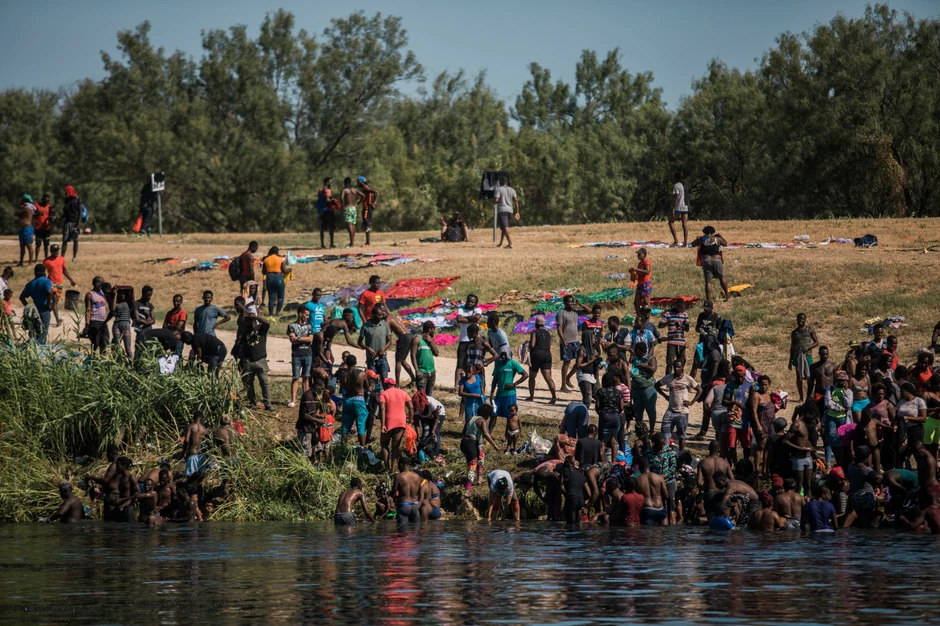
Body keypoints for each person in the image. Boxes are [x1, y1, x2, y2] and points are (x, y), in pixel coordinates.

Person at [654, 358, 701, 450]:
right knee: (665, 432)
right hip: (671, 410)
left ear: (683, 367)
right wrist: (665, 396)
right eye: (675, 367)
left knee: (681, 435)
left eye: (678, 367)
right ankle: (665, 452)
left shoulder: (688, 379)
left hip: (682, 412)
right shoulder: (668, 378)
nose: (676, 369)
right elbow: (656, 385)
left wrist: (691, 402)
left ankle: (681, 453)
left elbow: (700, 390)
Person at [237, 308, 272, 411]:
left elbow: (267, 323)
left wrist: (255, 316)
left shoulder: (260, 329)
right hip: (248, 361)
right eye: (247, 320)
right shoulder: (245, 332)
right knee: (249, 384)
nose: (247, 322)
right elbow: (242, 347)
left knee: (264, 383)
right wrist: (241, 362)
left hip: (260, 360)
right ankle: (253, 403)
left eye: (249, 320)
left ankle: (268, 404)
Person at [461, 405, 500, 489]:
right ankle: (467, 490)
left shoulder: (470, 418)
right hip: (472, 444)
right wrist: (495, 445)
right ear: (488, 414)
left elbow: (463, 432)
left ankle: (479, 478)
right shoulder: (482, 421)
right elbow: (486, 434)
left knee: (481, 456)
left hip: (464, 443)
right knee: (472, 468)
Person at [379, 377, 413, 472]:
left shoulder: (383, 394)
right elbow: (411, 407)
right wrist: (410, 422)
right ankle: (393, 469)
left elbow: (382, 409)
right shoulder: (403, 393)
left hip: (388, 422)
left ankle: (386, 467)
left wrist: (383, 425)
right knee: (395, 446)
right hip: (400, 423)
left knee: (384, 444)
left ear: (386, 385)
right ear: (395, 384)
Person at [723, 365, 753, 463]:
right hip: (733, 420)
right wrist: (734, 402)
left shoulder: (749, 386)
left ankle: (746, 462)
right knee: (731, 444)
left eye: (742, 376)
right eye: (737, 376)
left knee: (746, 444)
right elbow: (724, 401)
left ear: (745, 375)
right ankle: (734, 463)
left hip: (745, 420)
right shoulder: (730, 386)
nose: (740, 378)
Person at [690, 226, 730, 301]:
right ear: (712, 232)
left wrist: (697, 239)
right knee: (721, 278)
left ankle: (709, 300)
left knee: (708, 282)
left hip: (706, 261)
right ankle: (727, 296)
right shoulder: (717, 239)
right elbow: (725, 243)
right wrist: (721, 236)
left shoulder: (701, 239)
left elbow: (692, 244)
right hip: (717, 260)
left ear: (704, 232)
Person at [824, 372, 853, 468]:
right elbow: (828, 403)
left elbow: (848, 404)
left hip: (843, 418)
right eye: (839, 380)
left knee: (843, 439)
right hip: (831, 416)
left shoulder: (848, 392)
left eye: (843, 381)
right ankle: (828, 462)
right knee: (829, 439)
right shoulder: (831, 388)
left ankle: (841, 461)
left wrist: (845, 391)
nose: (841, 383)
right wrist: (840, 408)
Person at [696, 440, 733, 517]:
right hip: (723, 493)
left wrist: (702, 490)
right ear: (719, 450)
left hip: (709, 493)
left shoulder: (703, 462)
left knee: (712, 521)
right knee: (725, 518)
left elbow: (699, 482)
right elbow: (732, 480)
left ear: (709, 449)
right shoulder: (725, 463)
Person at [748, 374, 776, 474]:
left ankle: (765, 468)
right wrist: (758, 425)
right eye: (762, 385)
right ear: (759, 384)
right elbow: (753, 411)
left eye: (766, 385)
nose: (764, 387)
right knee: (760, 446)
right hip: (761, 423)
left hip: (770, 424)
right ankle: (756, 469)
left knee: (769, 447)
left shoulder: (769, 395)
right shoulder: (756, 395)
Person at [490, 352, 528, 425]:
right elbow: (494, 379)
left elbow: (525, 375)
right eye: (502, 355)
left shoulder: (513, 363)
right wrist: (492, 393)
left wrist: (514, 384)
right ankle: (488, 434)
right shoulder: (498, 364)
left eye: (505, 355)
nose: (503, 357)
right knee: (493, 414)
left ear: (509, 355)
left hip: (509, 394)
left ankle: (509, 434)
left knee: (510, 416)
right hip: (499, 394)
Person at [18, 264, 53, 344]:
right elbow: (49, 292)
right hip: (44, 310)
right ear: (44, 271)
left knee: (34, 333)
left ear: (35, 272)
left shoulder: (31, 284)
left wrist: (29, 307)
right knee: (43, 334)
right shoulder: (46, 281)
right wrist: (48, 304)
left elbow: (21, 297)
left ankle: (31, 350)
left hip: (34, 312)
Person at [42, 244, 75, 327]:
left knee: (54, 302)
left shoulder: (61, 259)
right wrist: (44, 281)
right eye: (55, 250)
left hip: (60, 284)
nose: (56, 252)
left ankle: (43, 314)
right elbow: (43, 272)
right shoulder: (46, 261)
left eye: (57, 250)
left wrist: (71, 280)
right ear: (51, 251)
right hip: (51, 283)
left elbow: (64, 270)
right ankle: (58, 320)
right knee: (54, 299)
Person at [647, 432, 678, 522]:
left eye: (663, 444)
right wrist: (656, 477)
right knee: (660, 505)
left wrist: (666, 474)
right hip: (656, 483)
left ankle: (671, 528)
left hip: (669, 481)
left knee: (671, 504)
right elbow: (647, 467)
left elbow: (673, 466)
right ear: (655, 443)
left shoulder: (668, 451)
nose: (662, 446)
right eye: (660, 444)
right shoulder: (649, 452)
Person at [454, 294, 483, 390]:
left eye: (472, 301)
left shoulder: (478, 310)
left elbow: (477, 317)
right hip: (463, 340)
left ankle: (472, 383)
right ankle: (456, 385)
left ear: (476, 303)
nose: (469, 303)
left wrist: (465, 319)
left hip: (475, 341)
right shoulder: (461, 309)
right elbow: (459, 319)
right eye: (468, 301)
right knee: (460, 364)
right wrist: (473, 319)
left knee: (473, 364)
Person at [287, 307, 314, 408]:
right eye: (306, 314)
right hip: (296, 354)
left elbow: (310, 339)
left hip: (308, 353)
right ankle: (293, 400)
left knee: (306, 377)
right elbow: (292, 340)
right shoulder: (291, 326)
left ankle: (305, 399)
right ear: (300, 314)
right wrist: (304, 339)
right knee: (295, 378)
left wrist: (298, 338)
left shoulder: (309, 326)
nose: (307, 317)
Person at [359, 304, 392, 383]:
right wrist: (368, 348)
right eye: (379, 315)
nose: (381, 317)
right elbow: (359, 342)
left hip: (382, 357)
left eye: (382, 315)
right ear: (373, 315)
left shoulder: (384, 325)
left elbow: (389, 341)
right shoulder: (365, 326)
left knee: (385, 379)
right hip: (371, 358)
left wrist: (383, 349)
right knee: (373, 380)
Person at [789, 313, 819, 402]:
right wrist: (790, 361)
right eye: (799, 319)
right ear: (796, 320)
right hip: (797, 357)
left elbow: (816, 342)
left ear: (805, 320)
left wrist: (808, 347)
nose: (800, 321)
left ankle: (809, 396)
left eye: (802, 319)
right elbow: (792, 347)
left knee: (809, 377)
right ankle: (801, 397)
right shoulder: (794, 333)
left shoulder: (809, 329)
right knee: (799, 377)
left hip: (807, 356)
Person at [594, 373, 624, 462]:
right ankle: (614, 463)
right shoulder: (618, 392)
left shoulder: (600, 391)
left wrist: (601, 413)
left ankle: (602, 462)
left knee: (602, 442)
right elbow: (621, 407)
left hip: (605, 417)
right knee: (614, 442)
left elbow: (597, 406)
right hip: (615, 417)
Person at [630, 342, 659, 432]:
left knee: (651, 411)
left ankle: (652, 430)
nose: (635, 351)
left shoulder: (650, 358)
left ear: (641, 350)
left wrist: (642, 366)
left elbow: (653, 368)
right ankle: (640, 430)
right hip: (636, 388)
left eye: (637, 350)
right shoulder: (635, 358)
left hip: (647, 388)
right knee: (638, 412)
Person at [557, 295, 582, 392]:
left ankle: (568, 377)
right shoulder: (561, 313)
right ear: (565, 303)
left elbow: (589, 311)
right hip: (566, 341)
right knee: (566, 362)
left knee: (580, 360)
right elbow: (559, 328)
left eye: (572, 302)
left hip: (575, 341)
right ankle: (563, 385)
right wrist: (563, 340)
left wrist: (580, 304)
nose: (571, 303)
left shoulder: (575, 312)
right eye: (569, 302)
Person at [635, 457, 669, 525]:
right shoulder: (659, 478)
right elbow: (666, 495)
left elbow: (637, 498)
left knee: (648, 533)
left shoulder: (637, 480)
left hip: (647, 509)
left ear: (638, 467)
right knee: (663, 523)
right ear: (649, 465)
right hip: (659, 508)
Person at [659, 302, 689, 375]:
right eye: (679, 307)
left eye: (682, 308)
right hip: (672, 341)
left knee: (681, 362)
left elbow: (687, 329)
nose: (680, 309)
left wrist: (681, 327)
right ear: (675, 306)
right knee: (670, 363)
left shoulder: (684, 314)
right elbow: (660, 325)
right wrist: (668, 322)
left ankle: (680, 379)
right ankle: (667, 379)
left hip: (681, 342)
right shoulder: (668, 314)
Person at [807, 346, 838, 415]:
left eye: (826, 354)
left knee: (830, 413)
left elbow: (836, 381)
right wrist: (808, 395)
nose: (825, 356)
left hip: (830, 394)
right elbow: (811, 382)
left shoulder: (834, 366)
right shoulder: (814, 367)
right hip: (819, 393)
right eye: (823, 354)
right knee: (818, 413)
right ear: (819, 354)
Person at [560, 456, 591, 525]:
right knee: (577, 523)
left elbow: (561, 487)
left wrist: (567, 494)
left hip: (571, 498)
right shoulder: (582, 475)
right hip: (581, 500)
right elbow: (589, 494)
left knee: (570, 523)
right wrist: (585, 504)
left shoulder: (564, 470)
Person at [391, 458, 423, 525]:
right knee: (416, 531)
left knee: (403, 532)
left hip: (404, 505)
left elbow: (393, 492)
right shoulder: (417, 476)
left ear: (401, 464)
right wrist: (418, 505)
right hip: (415, 505)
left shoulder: (399, 477)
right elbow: (421, 493)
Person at [84, 276, 110, 353]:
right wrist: (87, 325)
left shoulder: (103, 293)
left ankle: (102, 362)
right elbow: (88, 311)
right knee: (95, 344)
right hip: (95, 321)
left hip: (103, 322)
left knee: (104, 344)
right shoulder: (90, 294)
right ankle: (94, 361)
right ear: (97, 284)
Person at [410, 321, 438, 393]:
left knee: (430, 397)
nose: (434, 331)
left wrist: (431, 342)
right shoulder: (417, 339)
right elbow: (413, 355)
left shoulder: (431, 340)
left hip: (431, 372)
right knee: (422, 397)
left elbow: (437, 353)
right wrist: (417, 370)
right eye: (433, 329)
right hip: (422, 373)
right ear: (429, 329)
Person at [493, 174, 520, 248]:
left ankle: (510, 243)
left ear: (501, 182)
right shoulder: (512, 190)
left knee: (505, 227)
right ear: (507, 182)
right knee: (504, 227)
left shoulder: (499, 189)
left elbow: (496, 200)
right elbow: (516, 201)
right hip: (510, 210)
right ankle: (500, 244)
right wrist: (517, 212)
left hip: (502, 210)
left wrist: (493, 202)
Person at [261, 246, 287, 317]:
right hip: (279, 278)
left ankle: (271, 314)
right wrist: (289, 270)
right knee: (280, 297)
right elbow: (284, 271)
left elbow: (263, 272)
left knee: (271, 297)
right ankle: (277, 312)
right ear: (277, 252)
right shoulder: (280, 259)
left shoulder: (266, 259)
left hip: (269, 278)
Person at [60, 185, 83, 262]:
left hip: (74, 222)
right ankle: (62, 257)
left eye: (66, 191)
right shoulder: (66, 200)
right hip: (67, 222)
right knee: (65, 240)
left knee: (75, 240)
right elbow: (65, 212)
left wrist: (78, 225)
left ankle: (74, 257)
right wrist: (59, 218)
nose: (65, 193)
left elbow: (80, 213)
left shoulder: (78, 199)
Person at [341, 177, 365, 248]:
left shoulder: (344, 190)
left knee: (349, 226)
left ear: (345, 183)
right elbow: (363, 196)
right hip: (354, 208)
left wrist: (343, 206)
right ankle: (352, 242)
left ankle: (351, 243)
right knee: (353, 225)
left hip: (348, 208)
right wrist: (358, 203)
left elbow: (342, 198)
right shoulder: (355, 190)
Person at [183, 413, 209, 477]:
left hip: (192, 454)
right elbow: (210, 443)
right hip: (201, 455)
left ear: (194, 418)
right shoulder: (205, 430)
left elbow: (186, 440)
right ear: (201, 419)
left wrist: (184, 451)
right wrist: (205, 451)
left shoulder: (191, 426)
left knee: (191, 477)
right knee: (200, 477)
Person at [109, 290, 133, 359]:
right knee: (117, 345)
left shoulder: (128, 302)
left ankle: (132, 364)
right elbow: (113, 309)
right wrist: (115, 296)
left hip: (126, 325)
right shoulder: (116, 303)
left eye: (123, 294)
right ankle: (118, 362)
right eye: (120, 294)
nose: (122, 295)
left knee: (128, 348)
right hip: (117, 325)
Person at [357, 176, 380, 246]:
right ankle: (367, 242)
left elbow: (376, 192)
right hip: (366, 207)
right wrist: (357, 204)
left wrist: (374, 202)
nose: (357, 183)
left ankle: (368, 242)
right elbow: (362, 199)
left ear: (361, 181)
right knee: (365, 224)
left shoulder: (365, 188)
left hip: (367, 208)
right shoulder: (364, 188)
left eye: (358, 182)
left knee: (366, 224)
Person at [669, 170, 689, 247]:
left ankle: (676, 240)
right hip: (685, 206)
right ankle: (685, 242)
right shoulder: (685, 185)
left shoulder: (676, 186)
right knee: (684, 224)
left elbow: (676, 197)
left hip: (679, 207)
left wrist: (673, 207)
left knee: (671, 222)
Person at [16, 194, 36, 267]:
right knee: (22, 246)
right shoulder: (25, 209)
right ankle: (21, 261)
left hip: (27, 228)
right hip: (22, 228)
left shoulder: (26, 208)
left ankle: (31, 262)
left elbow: (16, 212)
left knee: (28, 245)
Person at [317, 178, 336, 249]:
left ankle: (322, 244)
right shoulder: (328, 190)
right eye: (330, 182)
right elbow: (328, 200)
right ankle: (331, 244)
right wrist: (333, 201)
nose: (331, 184)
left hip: (322, 210)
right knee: (331, 227)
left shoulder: (320, 190)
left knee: (322, 227)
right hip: (329, 210)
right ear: (327, 182)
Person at [33, 194, 54, 259]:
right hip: (39, 228)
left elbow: (51, 216)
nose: (46, 203)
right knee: (38, 244)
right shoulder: (36, 206)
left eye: (47, 201)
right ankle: (36, 258)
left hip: (46, 228)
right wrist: (38, 214)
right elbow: (32, 215)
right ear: (42, 200)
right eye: (45, 201)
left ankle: (46, 257)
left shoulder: (49, 207)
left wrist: (52, 218)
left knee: (46, 245)